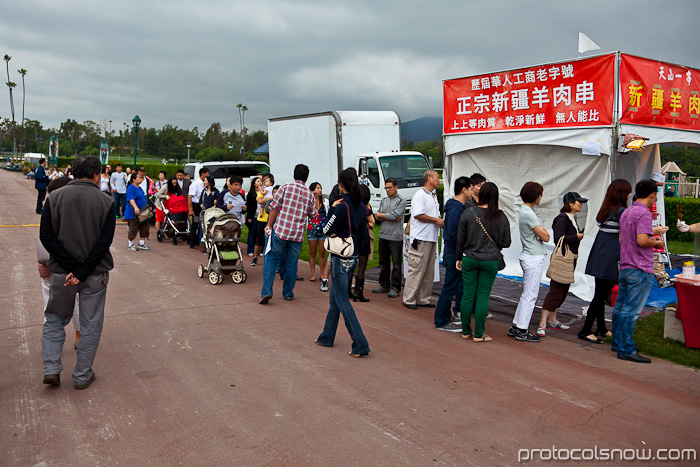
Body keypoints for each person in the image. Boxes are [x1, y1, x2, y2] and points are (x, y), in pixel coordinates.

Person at [39, 156, 116, 390]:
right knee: (90, 324)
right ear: (95, 175)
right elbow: (104, 242)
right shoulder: (106, 201)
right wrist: (82, 269)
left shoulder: (54, 198)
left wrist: (71, 266)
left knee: (54, 319)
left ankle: (51, 368)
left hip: (62, 274)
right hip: (94, 274)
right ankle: (82, 375)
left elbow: (47, 237)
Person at [314, 168, 370, 358]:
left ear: (340, 185)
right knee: (335, 298)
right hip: (353, 255)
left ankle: (360, 344)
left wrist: (331, 209)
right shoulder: (360, 206)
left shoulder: (340, 207)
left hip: (339, 257)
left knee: (342, 301)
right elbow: (362, 235)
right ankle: (326, 336)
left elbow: (325, 228)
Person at [613, 180, 666, 364]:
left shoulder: (627, 212)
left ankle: (618, 342)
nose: (655, 199)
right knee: (632, 310)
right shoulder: (644, 214)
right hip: (640, 267)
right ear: (652, 194)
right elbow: (643, 241)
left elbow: (622, 239)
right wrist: (657, 243)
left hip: (626, 265)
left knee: (620, 307)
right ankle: (626, 348)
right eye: (655, 195)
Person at [578, 180, 632, 344]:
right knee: (600, 296)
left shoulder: (606, 210)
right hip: (610, 256)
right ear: (623, 194)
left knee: (600, 293)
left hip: (599, 254)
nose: (630, 195)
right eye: (628, 192)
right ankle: (586, 330)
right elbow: (625, 239)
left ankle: (601, 327)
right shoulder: (622, 212)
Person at [456, 182, 511, 342]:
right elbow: (506, 242)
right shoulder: (501, 216)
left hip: (470, 258)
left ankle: (466, 331)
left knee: (467, 296)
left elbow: (460, 239)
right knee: (482, 298)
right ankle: (479, 334)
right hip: (490, 260)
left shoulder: (468, 212)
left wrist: (459, 258)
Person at [259, 164, 317, 304]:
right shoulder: (309, 194)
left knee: (271, 259)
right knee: (292, 263)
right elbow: (313, 214)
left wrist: (269, 226)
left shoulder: (285, 187)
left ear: (293, 175)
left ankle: (267, 291)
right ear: (307, 177)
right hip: (297, 234)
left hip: (281, 231)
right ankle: (288, 293)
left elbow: (274, 208)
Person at [38, 177, 81, 350]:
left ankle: (51, 344)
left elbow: (44, 238)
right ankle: (79, 337)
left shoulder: (49, 208)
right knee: (76, 302)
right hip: (70, 268)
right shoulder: (75, 213)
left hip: (48, 266)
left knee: (49, 305)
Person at [537, 192, 586, 337]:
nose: (581, 204)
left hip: (570, 259)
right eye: (578, 202)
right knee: (556, 290)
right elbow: (558, 238)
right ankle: (543, 322)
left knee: (563, 289)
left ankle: (552, 319)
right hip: (564, 258)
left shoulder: (570, 217)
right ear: (570, 203)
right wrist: (576, 237)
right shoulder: (562, 218)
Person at [509, 182, 550, 342]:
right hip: (533, 256)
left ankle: (517, 325)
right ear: (536, 196)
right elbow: (545, 236)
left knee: (527, 294)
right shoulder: (529, 213)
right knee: (530, 295)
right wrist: (543, 232)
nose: (541, 197)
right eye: (540, 194)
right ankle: (522, 329)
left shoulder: (525, 211)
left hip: (529, 254)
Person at [434, 176, 473, 332]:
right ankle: (441, 321)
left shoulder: (455, 207)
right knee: (449, 287)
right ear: (464, 190)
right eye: (470, 189)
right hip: (454, 253)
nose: (472, 192)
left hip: (453, 252)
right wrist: (460, 254)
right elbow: (454, 234)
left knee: (452, 286)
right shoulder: (456, 209)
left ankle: (445, 316)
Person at [403, 170, 443, 310]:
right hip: (421, 237)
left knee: (428, 270)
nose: (439, 180)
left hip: (431, 237)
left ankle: (423, 298)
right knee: (417, 269)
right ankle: (409, 298)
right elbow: (419, 215)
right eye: (437, 178)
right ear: (429, 178)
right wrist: (436, 220)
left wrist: (438, 222)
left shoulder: (432, 196)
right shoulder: (419, 195)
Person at [372, 177, 407, 298]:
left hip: (396, 237)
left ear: (396, 187)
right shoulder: (384, 200)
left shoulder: (402, 200)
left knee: (396, 264)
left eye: (390, 187)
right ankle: (384, 285)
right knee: (383, 262)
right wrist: (387, 216)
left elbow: (394, 215)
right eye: (386, 188)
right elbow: (379, 216)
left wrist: (383, 215)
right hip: (383, 235)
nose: (387, 190)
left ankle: (396, 287)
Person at [349, 185, 374, 302]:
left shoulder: (351, 207)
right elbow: (373, 222)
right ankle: (359, 291)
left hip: (352, 237)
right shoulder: (366, 209)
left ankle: (347, 290)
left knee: (350, 265)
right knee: (361, 266)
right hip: (363, 238)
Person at [307, 182, 329, 290]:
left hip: (323, 230)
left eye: (320, 188)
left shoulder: (326, 202)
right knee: (312, 252)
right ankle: (313, 274)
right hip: (312, 230)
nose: (319, 190)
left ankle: (321, 273)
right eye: (316, 188)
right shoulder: (309, 202)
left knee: (322, 252)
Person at [252, 174, 274, 266]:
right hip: (261, 219)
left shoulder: (273, 189)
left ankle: (271, 261)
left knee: (271, 241)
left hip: (271, 218)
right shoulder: (261, 191)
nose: (264, 182)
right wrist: (272, 198)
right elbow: (260, 201)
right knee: (259, 239)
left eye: (266, 180)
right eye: (263, 180)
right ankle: (255, 258)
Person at [124, 172, 150, 251]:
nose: (140, 179)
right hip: (133, 213)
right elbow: (131, 199)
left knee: (145, 227)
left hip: (143, 212)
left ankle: (142, 242)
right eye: (138, 177)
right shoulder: (131, 188)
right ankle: (130, 243)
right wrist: (135, 207)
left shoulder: (139, 188)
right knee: (133, 228)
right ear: (133, 179)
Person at [188, 167, 210, 248]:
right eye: (207, 174)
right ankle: (192, 242)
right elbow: (190, 197)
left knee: (202, 224)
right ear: (203, 174)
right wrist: (191, 209)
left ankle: (198, 241)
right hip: (196, 206)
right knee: (195, 224)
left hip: (203, 206)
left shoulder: (206, 184)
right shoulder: (195, 184)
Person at [245, 177, 261, 257]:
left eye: (261, 181)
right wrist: (249, 217)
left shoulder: (263, 192)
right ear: (254, 183)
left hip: (261, 216)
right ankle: (250, 250)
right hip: (254, 216)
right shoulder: (251, 194)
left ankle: (260, 250)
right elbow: (249, 206)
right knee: (252, 233)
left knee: (260, 234)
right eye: (258, 181)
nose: (260, 182)